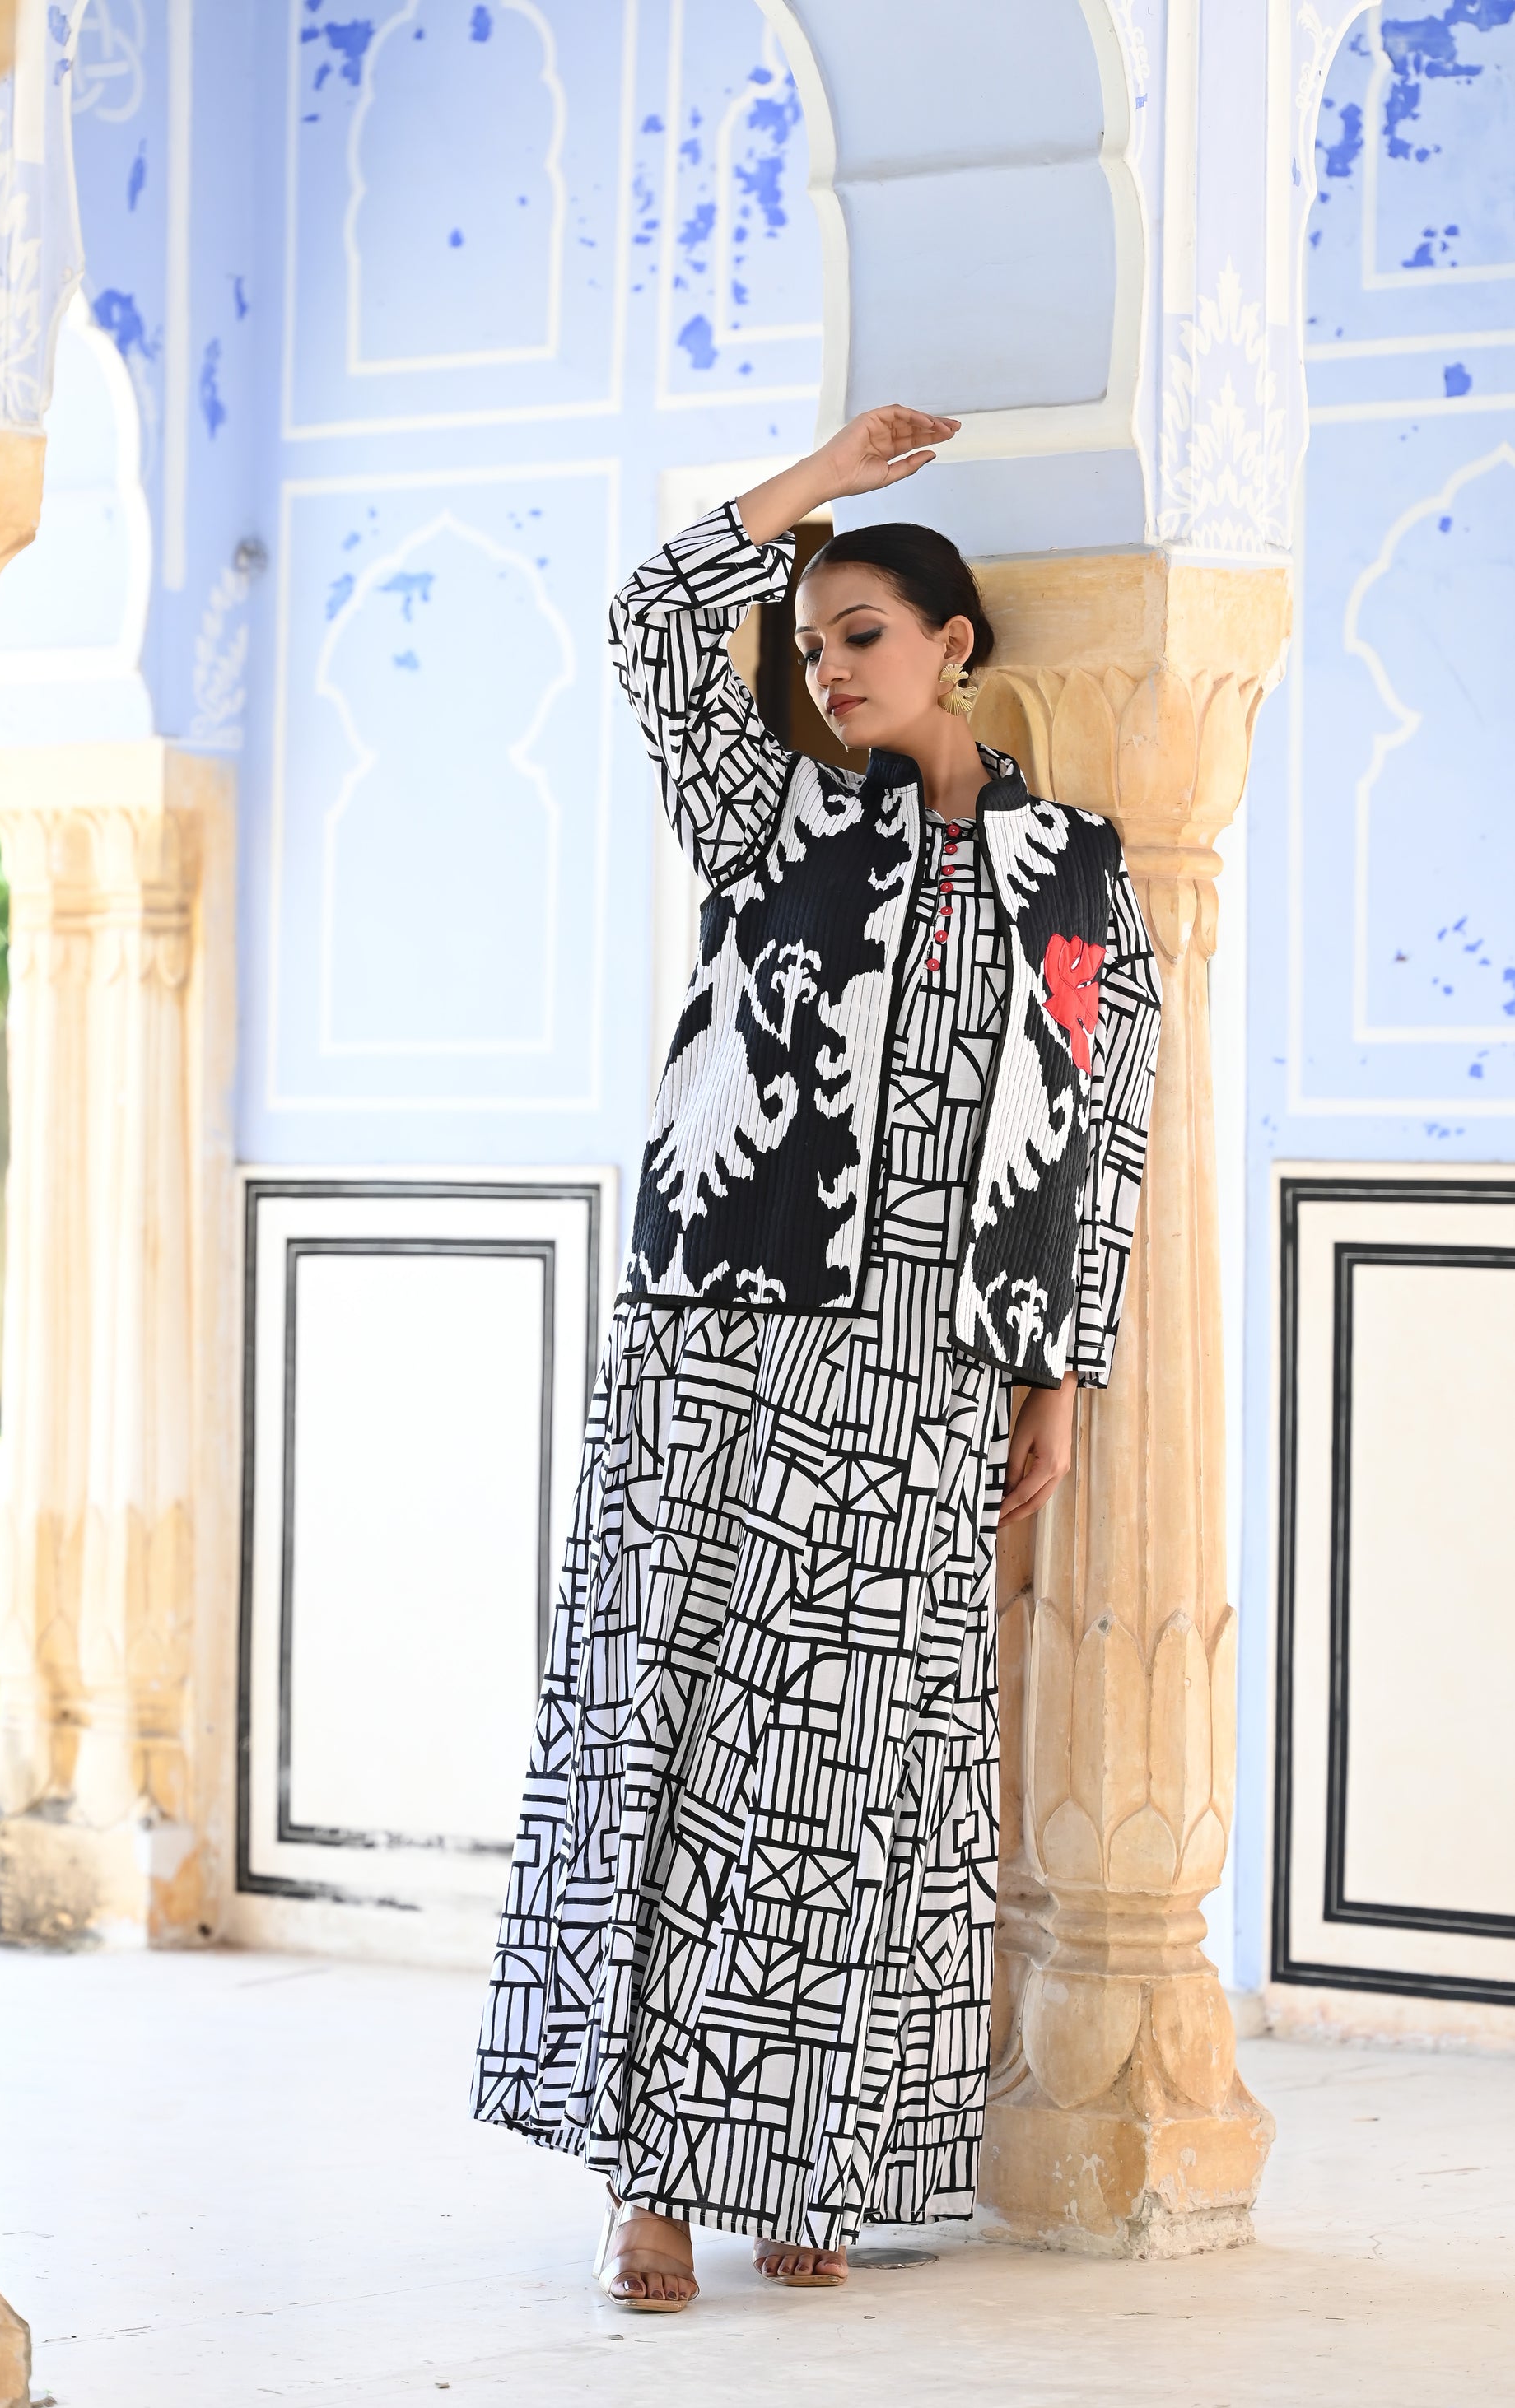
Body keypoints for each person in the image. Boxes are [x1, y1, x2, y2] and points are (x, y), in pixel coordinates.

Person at [469, 406, 1163, 2310]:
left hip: (930, 1365)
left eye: (860, 631)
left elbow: (1099, 1132)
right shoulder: (770, 813)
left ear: (954, 644)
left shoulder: (1075, 877)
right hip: (717, 1343)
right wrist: (814, 481)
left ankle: (816, 2160)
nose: (827, 665)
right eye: (809, 639)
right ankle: (649, 2189)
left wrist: (1059, 1373)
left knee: (860, 1769)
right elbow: (650, 614)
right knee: (683, 1739)